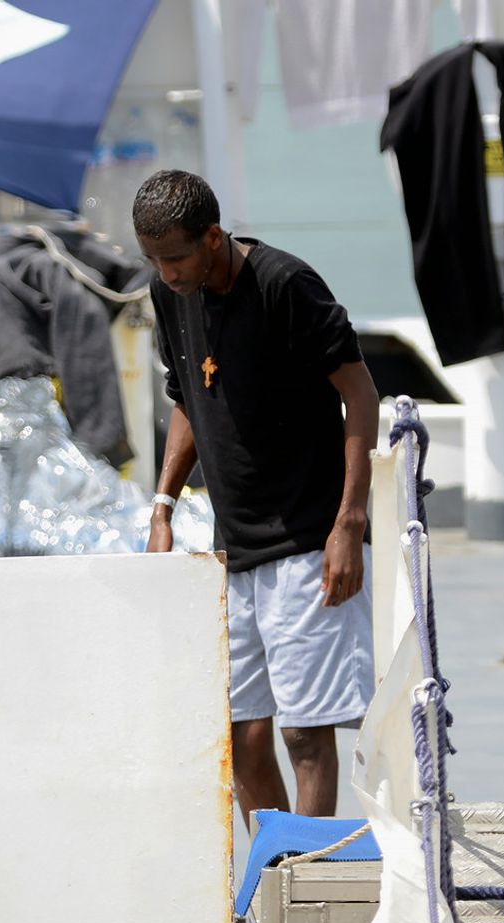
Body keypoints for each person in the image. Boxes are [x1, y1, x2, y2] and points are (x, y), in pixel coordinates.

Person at [134, 169, 378, 823]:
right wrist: (164, 505)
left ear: (214, 237)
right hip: (232, 548)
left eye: (177, 256)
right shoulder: (169, 294)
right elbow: (187, 392)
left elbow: (360, 394)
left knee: (305, 730)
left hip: (308, 538)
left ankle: (309, 895)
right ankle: (276, 885)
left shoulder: (284, 284)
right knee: (241, 739)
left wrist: (350, 523)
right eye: (153, 260)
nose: (166, 273)